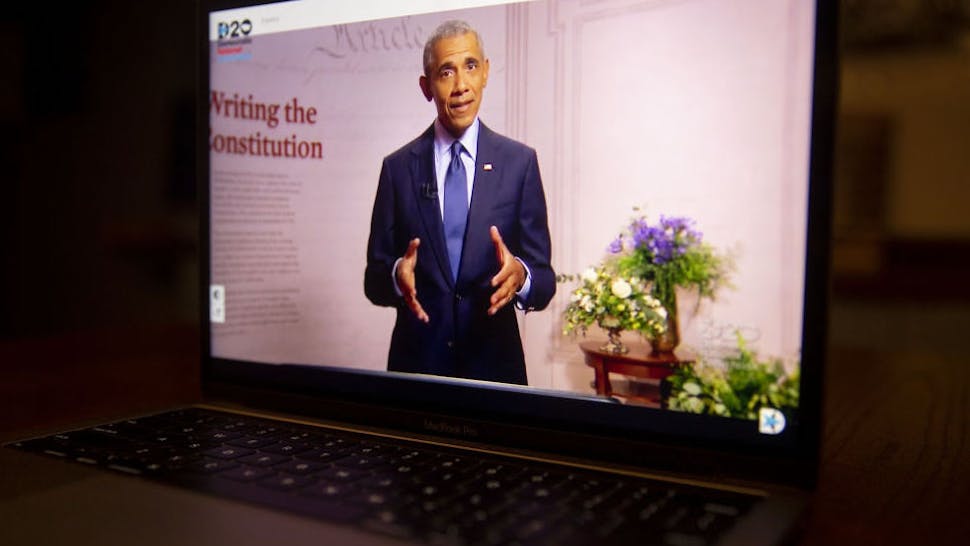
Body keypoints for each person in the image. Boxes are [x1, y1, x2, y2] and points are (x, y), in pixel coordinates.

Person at [364, 20, 555, 385]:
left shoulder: (520, 163)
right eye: (445, 72)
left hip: (496, 374)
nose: (461, 86)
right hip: (416, 373)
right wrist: (396, 276)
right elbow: (373, 280)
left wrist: (522, 277)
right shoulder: (397, 168)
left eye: (470, 66)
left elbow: (544, 279)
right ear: (426, 87)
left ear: (485, 72)